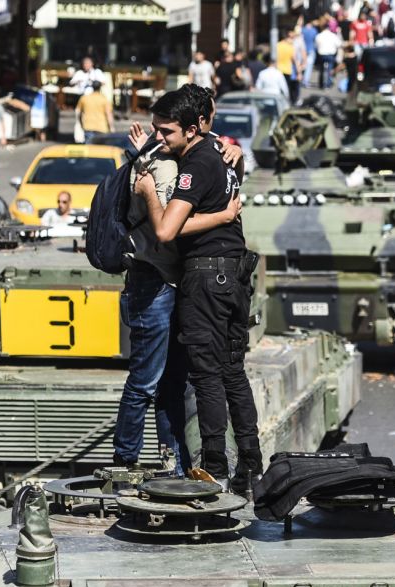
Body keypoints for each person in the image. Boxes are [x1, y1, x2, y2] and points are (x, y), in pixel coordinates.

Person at [133, 88, 262, 494]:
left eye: (166, 132)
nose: (160, 139)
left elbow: (166, 231)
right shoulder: (220, 152)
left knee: (206, 376)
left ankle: (216, 469)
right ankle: (251, 464)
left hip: (205, 278)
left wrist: (151, 193)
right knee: (232, 373)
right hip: (233, 277)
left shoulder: (196, 165)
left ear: (193, 128)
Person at [314, 22, 343, 89]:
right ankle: (328, 83)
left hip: (321, 55)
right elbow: (339, 44)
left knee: (321, 70)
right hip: (330, 55)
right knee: (329, 69)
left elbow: (316, 45)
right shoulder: (333, 35)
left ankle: (321, 84)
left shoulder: (319, 35)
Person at [276, 30, 300, 104]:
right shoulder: (290, 47)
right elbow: (295, 61)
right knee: (287, 88)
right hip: (287, 71)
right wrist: (299, 73)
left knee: (279, 88)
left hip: (278, 70)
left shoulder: (277, 45)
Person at [302, 19, 319, 89]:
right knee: (309, 67)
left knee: (302, 65)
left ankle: (301, 80)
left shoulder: (302, 30)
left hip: (302, 50)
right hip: (311, 50)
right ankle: (305, 81)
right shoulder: (314, 31)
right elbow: (316, 41)